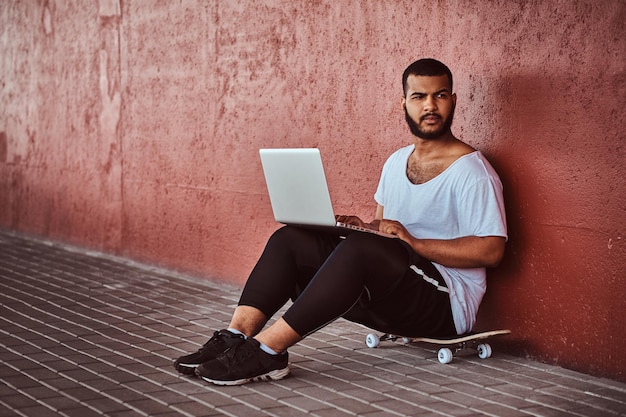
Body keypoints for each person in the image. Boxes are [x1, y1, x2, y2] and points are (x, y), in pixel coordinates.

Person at [174, 58, 507, 386]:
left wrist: (413, 243)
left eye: (440, 95)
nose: (430, 106)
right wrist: (359, 227)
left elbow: (492, 251)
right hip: (396, 293)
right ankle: (235, 336)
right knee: (292, 239)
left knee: (362, 250)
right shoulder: (395, 163)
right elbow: (384, 231)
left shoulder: (472, 172)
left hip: (444, 304)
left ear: (453, 101)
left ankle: (267, 351)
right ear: (404, 103)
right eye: (419, 97)